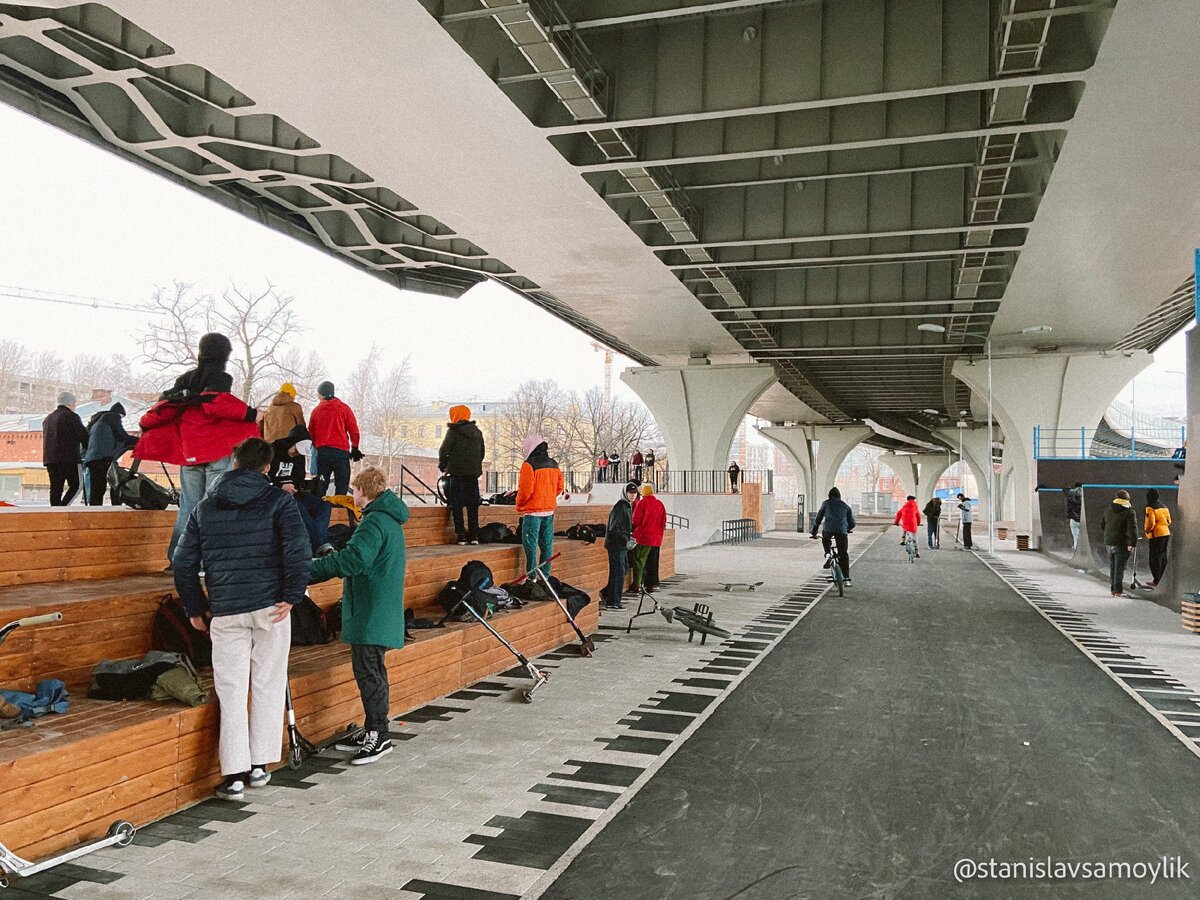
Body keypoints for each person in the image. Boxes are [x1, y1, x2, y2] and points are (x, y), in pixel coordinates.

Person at [173, 437, 310, 800]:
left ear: (233, 462)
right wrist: (292, 596)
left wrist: (194, 608)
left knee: (231, 691)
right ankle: (260, 767)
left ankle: (233, 775)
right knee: (268, 683)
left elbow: (183, 563)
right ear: (267, 468)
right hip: (271, 609)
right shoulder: (279, 501)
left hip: (226, 610)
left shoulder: (205, 507)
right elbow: (299, 551)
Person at [310, 466, 409, 765]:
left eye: (355, 490)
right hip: (379, 607)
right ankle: (374, 727)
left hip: (371, 611)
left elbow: (353, 561)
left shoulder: (373, 522)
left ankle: (379, 735)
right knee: (373, 671)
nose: (353, 494)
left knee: (369, 673)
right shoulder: (387, 519)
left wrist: (308, 570)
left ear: (364, 491)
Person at [135, 333, 260, 566]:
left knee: (188, 507)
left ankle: (178, 560)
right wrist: (252, 414)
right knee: (211, 507)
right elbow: (217, 404)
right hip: (215, 451)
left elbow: (167, 409)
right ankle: (204, 563)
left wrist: (146, 424)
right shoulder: (221, 377)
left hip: (190, 453)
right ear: (224, 353)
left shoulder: (186, 379)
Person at [268, 425, 331, 553]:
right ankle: (319, 546)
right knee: (300, 509)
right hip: (275, 494)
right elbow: (264, 476)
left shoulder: (299, 458)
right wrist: (280, 486)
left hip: (294, 493)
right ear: (291, 442)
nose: (296, 454)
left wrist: (296, 487)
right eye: (296, 450)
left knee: (324, 506)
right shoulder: (272, 452)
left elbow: (299, 478)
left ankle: (318, 544)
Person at [516, 434, 564, 580]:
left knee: (530, 545)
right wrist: (548, 497)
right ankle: (545, 576)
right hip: (549, 511)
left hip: (532, 512)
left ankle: (532, 576)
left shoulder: (528, 465)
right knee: (546, 545)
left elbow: (525, 491)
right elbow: (560, 487)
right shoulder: (554, 464)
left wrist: (519, 503)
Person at [438, 405, 485, 545]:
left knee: (456, 505)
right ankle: (474, 536)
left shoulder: (453, 431)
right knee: (472, 506)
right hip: (473, 475)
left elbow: (443, 450)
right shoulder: (477, 432)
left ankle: (461, 535)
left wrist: (443, 464)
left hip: (457, 475)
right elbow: (482, 453)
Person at [308, 381, 362, 496]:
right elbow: (353, 429)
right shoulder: (344, 408)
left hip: (323, 454)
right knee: (342, 487)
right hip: (341, 454)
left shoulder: (316, 411)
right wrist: (355, 447)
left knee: (321, 487)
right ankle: (340, 510)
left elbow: (311, 432)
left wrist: (316, 445)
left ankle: (320, 510)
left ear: (321, 395)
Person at [83, 403, 138, 506]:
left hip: (92, 458)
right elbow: (122, 436)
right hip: (104, 457)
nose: (120, 419)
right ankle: (116, 509)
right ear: (119, 414)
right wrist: (139, 441)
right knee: (116, 483)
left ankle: (95, 512)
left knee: (97, 489)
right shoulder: (112, 417)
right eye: (121, 417)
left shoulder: (96, 421)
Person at [41, 391, 89, 506]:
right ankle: (62, 508)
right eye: (75, 404)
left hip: (51, 459)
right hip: (69, 459)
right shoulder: (72, 417)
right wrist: (88, 449)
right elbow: (83, 436)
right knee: (76, 485)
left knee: (55, 488)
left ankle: (55, 511)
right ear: (71, 403)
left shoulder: (48, 418)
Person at [603, 482, 639, 609]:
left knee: (621, 571)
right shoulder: (621, 506)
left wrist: (629, 537)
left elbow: (621, 528)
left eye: (635, 493)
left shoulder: (627, 506)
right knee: (618, 572)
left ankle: (608, 595)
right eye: (630, 493)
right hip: (616, 545)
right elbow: (614, 528)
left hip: (620, 544)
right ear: (625, 493)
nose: (633, 495)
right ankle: (613, 601)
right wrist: (626, 540)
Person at [811, 486, 855, 585]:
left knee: (825, 538)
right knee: (843, 554)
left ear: (829, 496)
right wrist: (848, 529)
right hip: (842, 531)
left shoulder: (826, 504)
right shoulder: (845, 505)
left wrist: (814, 532)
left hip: (828, 529)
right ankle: (847, 579)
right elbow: (852, 522)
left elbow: (818, 518)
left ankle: (827, 554)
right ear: (839, 496)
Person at [1100, 489, 1138, 598]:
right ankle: (1118, 591)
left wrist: (1110, 533)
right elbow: (1132, 529)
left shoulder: (1108, 510)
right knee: (1119, 568)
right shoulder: (1130, 512)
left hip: (1109, 542)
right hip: (1122, 543)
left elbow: (1102, 525)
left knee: (1113, 566)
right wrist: (1133, 543)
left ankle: (1113, 589)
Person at [630, 482, 666, 593]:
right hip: (656, 538)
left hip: (644, 537)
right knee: (653, 562)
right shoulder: (660, 504)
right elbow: (663, 521)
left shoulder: (642, 503)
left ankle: (637, 584)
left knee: (639, 561)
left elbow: (635, 520)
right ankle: (651, 585)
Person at [1143, 488, 1171, 588]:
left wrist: (1147, 530)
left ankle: (1156, 579)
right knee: (1163, 557)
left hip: (1156, 535)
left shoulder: (1150, 507)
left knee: (1154, 558)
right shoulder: (1164, 506)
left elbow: (1150, 522)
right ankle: (1162, 579)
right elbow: (1169, 521)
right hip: (1166, 533)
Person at [1066, 483, 1083, 549]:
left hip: (1074, 518)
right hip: (1082, 518)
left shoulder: (1071, 495)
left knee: (1076, 536)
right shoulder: (1084, 494)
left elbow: (1065, 492)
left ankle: (1076, 548)